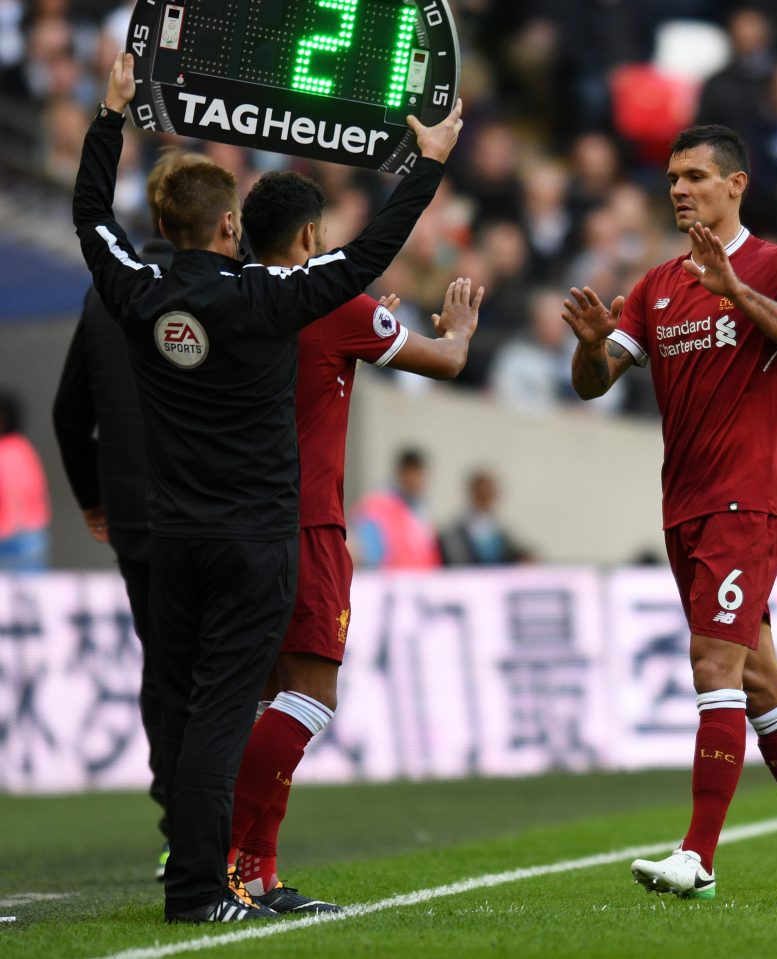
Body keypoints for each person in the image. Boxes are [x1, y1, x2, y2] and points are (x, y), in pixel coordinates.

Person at [73, 51, 463, 924]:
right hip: (254, 534)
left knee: (189, 707)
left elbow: (89, 216)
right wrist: (427, 162)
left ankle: (209, 869)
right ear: (225, 229)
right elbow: (367, 255)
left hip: (171, 538)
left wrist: (110, 116)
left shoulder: (135, 294)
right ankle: (207, 884)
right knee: (229, 712)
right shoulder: (269, 298)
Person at [561, 124, 777, 900]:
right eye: (672, 176)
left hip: (747, 499)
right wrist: (593, 346)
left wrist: (736, 290)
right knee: (762, 684)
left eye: (695, 175)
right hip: (685, 507)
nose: (679, 188)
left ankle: (697, 854)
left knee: (713, 666)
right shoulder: (659, 282)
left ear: (736, 185)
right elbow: (593, 385)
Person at [227, 170, 482, 910]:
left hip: (238, 522)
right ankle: (234, 858)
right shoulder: (334, 300)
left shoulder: (231, 298)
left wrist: (361, 336)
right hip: (306, 523)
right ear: (310, 237)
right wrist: (458, 329)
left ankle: (252, 869)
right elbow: (446, 362)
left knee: (265, 696)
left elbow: (311, 373)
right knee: (309, 697)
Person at [53, 147, 204, 882]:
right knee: (221, 669)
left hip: (137, 521)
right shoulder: (220, 290)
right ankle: (216, 828)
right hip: (210, 510)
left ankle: (178, 823)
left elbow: (67, 409)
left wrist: (93, 499)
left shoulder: (101, 296)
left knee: (166, 670)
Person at [350, 447, 441, 569]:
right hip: (388, 582)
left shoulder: (421, 511)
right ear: (401, 473)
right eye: (412, 473)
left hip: (420, 582)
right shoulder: (377, 506)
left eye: (420, 474)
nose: (416, 480)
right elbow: (368, 553)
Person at [438, 469, 532, 566]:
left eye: (491, 493)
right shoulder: (455, 533)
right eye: (484, 493)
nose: (488, 499)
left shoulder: (499, 528)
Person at [0, 390, 51, 570]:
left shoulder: (12, 449)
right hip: (28, 535)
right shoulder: (22, 448)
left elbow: (21, 493)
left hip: (17, 537)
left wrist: (15, 527)